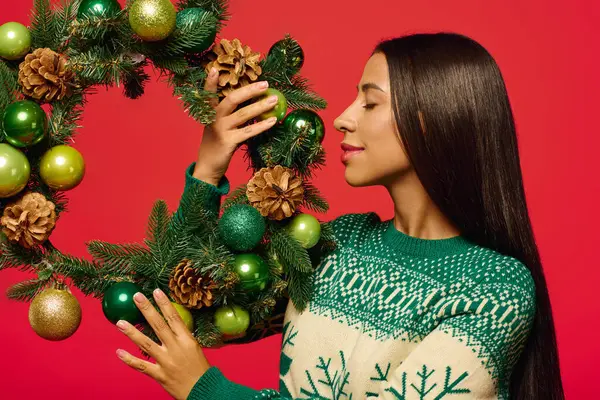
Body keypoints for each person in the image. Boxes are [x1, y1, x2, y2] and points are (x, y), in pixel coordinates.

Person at [113, 33, 564, 400]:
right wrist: (209, 167)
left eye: (370, 103)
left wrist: (206, 390)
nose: (343, 119)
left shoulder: (492, 289)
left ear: (431, 119)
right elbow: (192, 306)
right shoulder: (340, 241)